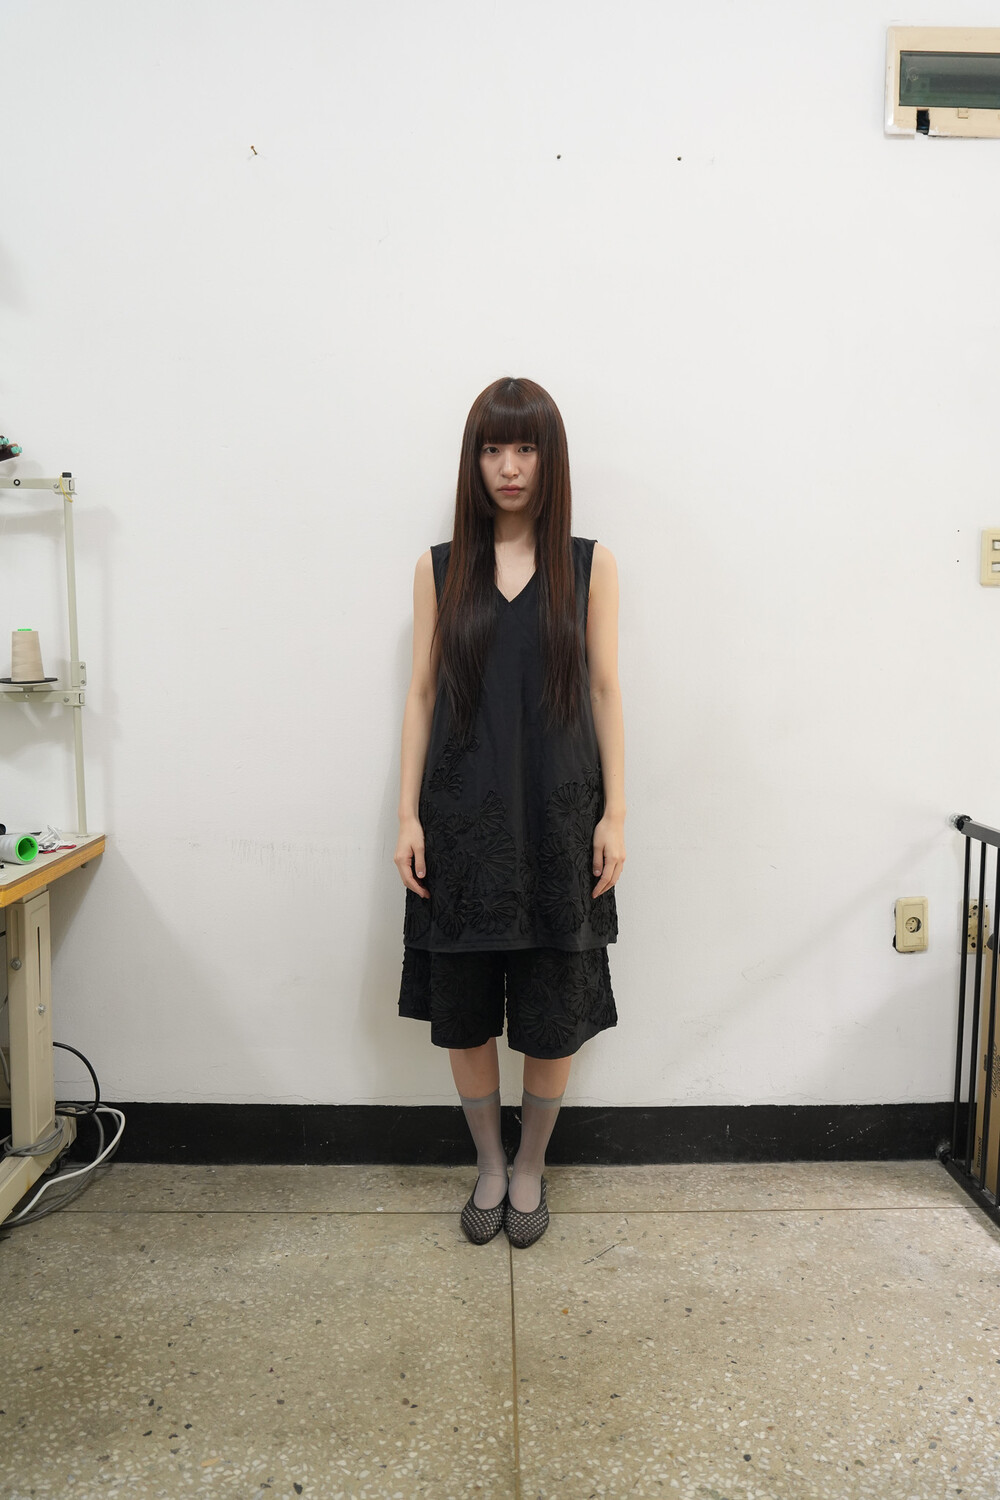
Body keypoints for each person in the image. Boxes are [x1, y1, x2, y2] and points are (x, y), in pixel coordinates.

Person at [394, 376, 626, 1249]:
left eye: (525, 447)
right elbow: (421, 694)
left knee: (551, 1009)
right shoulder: (441, 567)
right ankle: (489, 1162)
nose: (509, 466)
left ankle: (531, 1165)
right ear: (475, 460)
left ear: (549, 458)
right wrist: (407, 817)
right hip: (461, 821)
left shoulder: (590, 565)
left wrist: (617, 814)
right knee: (464, 1006)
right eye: (493, 448)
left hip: (561, 819)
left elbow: (604, 689)